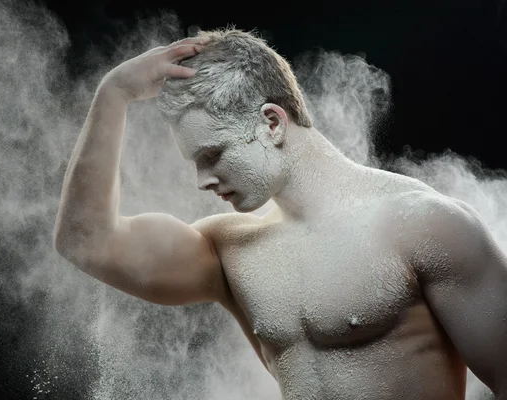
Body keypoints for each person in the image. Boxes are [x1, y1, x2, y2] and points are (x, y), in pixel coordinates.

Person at [53, 29, 507, 399]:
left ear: (271, 123)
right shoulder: (228, 248)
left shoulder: (424, 225)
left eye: (212, 154)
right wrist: (114, 94)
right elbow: (85, 241)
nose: (202, 181)